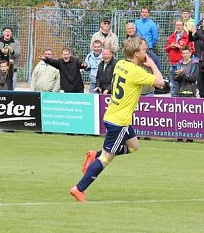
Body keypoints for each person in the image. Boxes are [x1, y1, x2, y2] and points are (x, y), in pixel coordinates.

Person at [69, 36, 164, 202]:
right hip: (119, 122)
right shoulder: (136, 72)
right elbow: (160, 82)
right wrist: (152, 64)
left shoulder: (120, 63)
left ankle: (94, 155)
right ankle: (79, 188)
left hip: (114, 115)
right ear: (136, 53)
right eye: (144, 50)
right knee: (107, 158)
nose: (146, 53)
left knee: (134, 146)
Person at [164, 20, 192, 96]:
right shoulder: (172, 36)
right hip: (172, 63)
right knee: (172, 83)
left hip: (181, 63)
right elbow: (166, 49)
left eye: (180, 25)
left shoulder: (187, 37)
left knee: (180, 82)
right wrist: (170, 46)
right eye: (177, 25)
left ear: (183, 26)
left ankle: (180, 98)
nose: (178, 27)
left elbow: (191, 49)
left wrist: (180, 47)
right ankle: (173, 98)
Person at [134, 7, 161, 73]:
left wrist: (149, 44)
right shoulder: (137, 22)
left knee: (150, 64)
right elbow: (135, 33)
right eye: (143, 12)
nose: (144, 13)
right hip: (138, 47)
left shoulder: (152, 24)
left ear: (148, 13)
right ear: (140, 13)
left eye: (146, 12)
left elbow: (155, 37)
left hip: (148, 48)